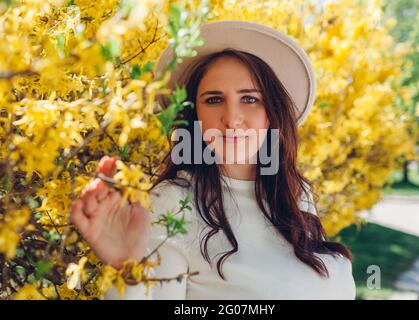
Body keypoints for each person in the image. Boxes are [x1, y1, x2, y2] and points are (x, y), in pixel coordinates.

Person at [70, 20, 356, 300]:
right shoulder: (171, 203)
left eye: (250, 99)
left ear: (272, 113)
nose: (232, 119)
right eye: (214, 100)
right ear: (194, 117)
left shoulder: (295, 192)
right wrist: (128, 271)